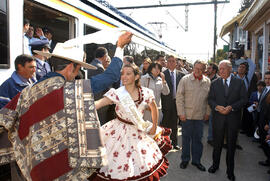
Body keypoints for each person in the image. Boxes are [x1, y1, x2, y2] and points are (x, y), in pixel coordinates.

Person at [0, 32, 133, 181]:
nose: (76, 74)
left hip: (27, 164)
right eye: (77, 70)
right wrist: (120, 46)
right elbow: (111, 75)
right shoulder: (71, 91)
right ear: (70, 67)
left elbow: (5, 119)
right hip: (57, 167)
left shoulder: (28, 92)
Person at [89, 64, 171, 180]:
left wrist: (154, 127)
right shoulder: (117, 93)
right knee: (116, 163)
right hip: (117, 132)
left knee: (136, 165)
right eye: (122, 74)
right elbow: (99, 103)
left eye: (128, 74)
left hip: (137, 131)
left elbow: (154, 108)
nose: (124, 76)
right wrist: (82, 106)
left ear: (137, 76)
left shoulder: (146, 93)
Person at [208, 60, 247, 181]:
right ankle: (215, 166)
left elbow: (244, 99)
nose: (221, 71)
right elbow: (210, 99)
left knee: (231, 146)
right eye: (220, 69)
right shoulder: (214, 83)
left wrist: (232, 107)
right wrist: (216, 107)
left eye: (223, 69)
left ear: (230, 69)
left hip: (232, 119)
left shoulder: (239, 83)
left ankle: (230, 171)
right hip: (218, 119)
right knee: (217, 144)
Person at [176, 60, 211, 171]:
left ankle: (196, 161)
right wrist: (181, 113)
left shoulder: (207, 81)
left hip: (200, 117)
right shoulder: (185, 80)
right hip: (187, 116)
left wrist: (208, 113)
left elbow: (209, 100)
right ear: (193, 68)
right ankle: (185, 160)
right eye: (196, 68)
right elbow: (179, 97)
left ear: (204, 70)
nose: (198, 71)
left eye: (201, 69)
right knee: (186, 139)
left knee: (198, 140)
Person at [161, 55, 185, 150]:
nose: (171, 63)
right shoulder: (162, 74)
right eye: (169, 61)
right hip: (165, 104)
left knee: (174, 125)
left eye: (173, 61)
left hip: (177, 104)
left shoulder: (181, 75)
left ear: (176, 63)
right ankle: (164, 144)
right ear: (166, 63)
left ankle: (174, 143)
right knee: (165, 124)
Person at [206, 62, 219, 146]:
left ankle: (211, 138)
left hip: (213, 104)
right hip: (204, 104)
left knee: (212, 121)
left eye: (210, 68)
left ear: (214, 70)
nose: (207, 69)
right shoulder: (205, 78)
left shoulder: (218, 80)